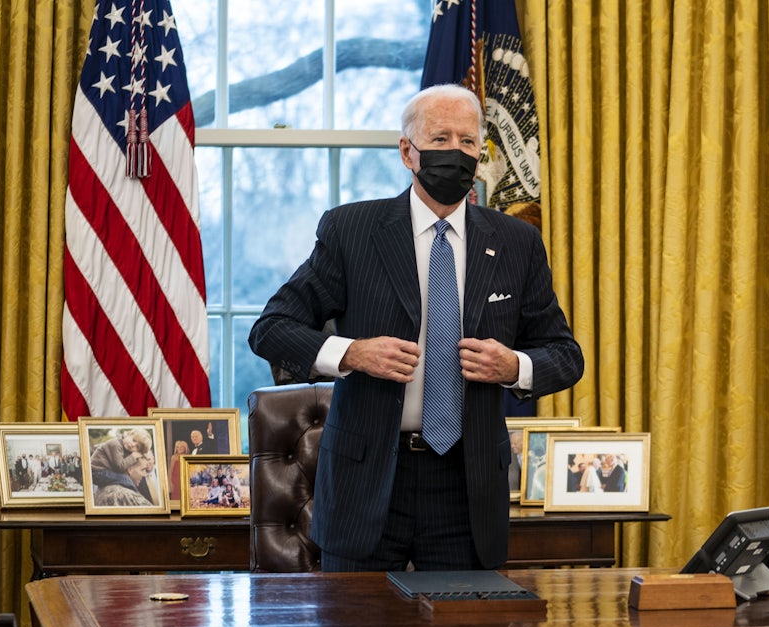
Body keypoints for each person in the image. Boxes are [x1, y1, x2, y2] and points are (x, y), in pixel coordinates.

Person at [248, 83, 583, 572]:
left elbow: (565, 354)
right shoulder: (352, 231)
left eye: (468, 142)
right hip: (368, 480)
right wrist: (351, 353)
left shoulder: (516, 243)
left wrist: (514, 365)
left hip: (466, 487)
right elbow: (271, 328)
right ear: (408, 151)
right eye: (440, 138)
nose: (455, 152)